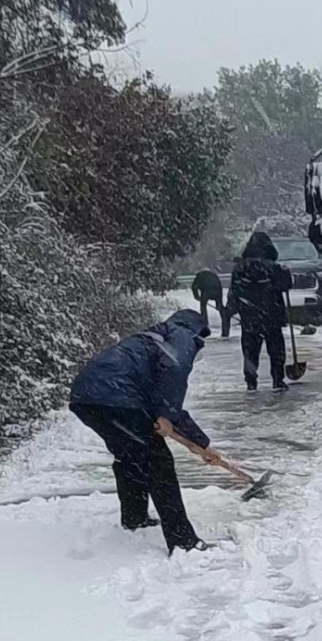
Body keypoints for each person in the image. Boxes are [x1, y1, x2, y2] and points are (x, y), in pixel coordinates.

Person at [69, 310, 229, 554]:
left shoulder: (149, 340)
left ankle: (134, 518)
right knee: (158, 463)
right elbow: (174, 370)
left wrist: (200, 443)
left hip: (86, 397)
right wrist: (165, 414)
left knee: (128, 454)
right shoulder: (181, 335)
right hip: (116, 397)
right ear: (195, 328)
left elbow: (163, 401)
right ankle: (183, 542)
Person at [227, 229, 292, 391]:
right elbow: (285, 285)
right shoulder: (274, 268)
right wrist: (285, 274)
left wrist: (232, 308)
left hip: (249, 317)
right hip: (272, 316)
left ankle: (251, 380)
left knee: (250, 351)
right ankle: (277, 379)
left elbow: (234, 290)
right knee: (276, 350)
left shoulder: (240, 268)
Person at [191, 266, 229, 337]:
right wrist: (219, 302)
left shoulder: (200, 276)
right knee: (220, 308)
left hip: (206, 292)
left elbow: (194, 287)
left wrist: (197, 296)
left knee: (203, 306)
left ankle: (205, 322)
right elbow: (219, 286)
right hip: (217, 291)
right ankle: (224, 319)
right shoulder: (214, 275)